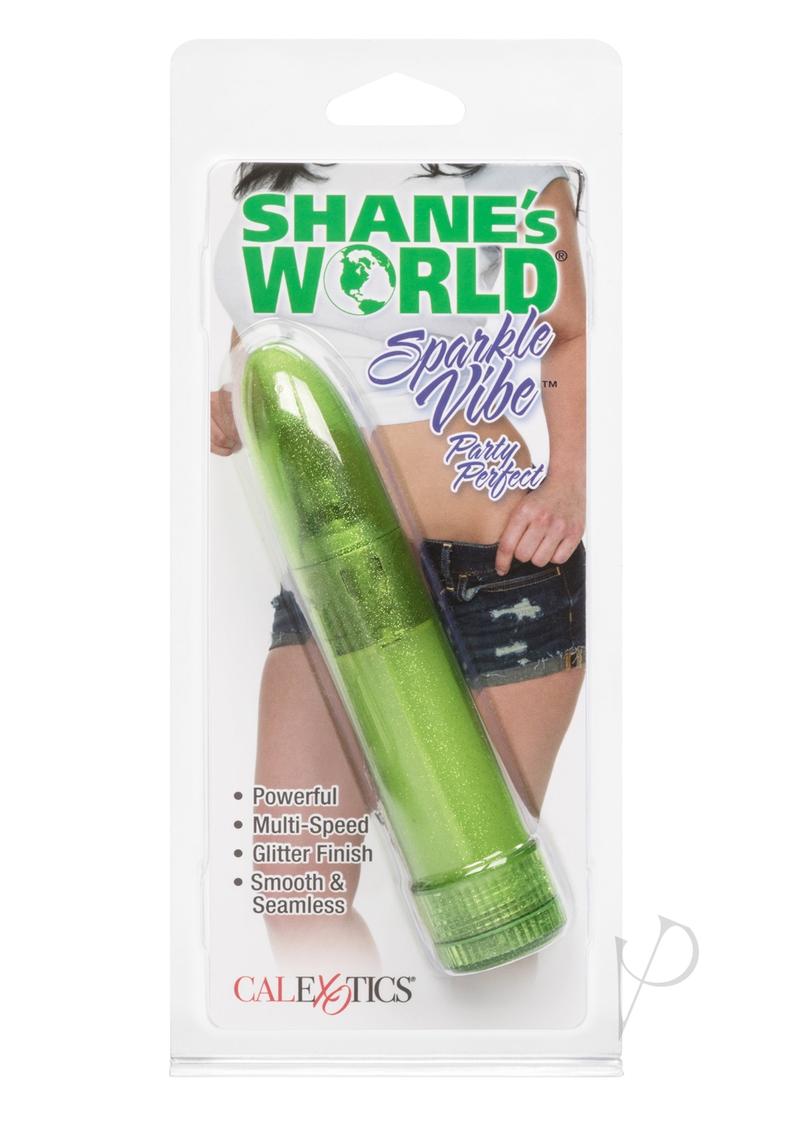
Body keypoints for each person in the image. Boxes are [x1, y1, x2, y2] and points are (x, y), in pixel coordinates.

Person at [211, 162, 586, 966]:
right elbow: (265, 331)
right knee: (295, 889)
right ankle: (342, 1040)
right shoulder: (272, 174)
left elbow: (567, 329)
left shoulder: (503, 160)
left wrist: (569, 483)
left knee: (489, 913)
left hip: (490, 577)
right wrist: (230, 395)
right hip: (330, 580)